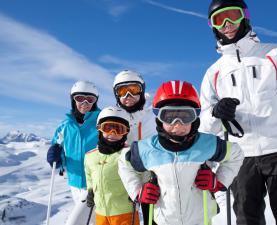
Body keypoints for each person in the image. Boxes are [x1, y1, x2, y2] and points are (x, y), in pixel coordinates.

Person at [200, 0, 277, 224]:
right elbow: (206, 123)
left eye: (233, 16)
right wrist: (217, 114)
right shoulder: (214, 73)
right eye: (219, 19)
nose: (227, 24)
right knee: (247, 219)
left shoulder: (275, 54)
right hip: (240, 156)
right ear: (213, 27)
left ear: (244, 16)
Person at [118, 80, 244, 225]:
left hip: (200, 220)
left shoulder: (206, 144)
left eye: (186, 116)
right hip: (163, 220)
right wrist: (137, 190)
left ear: (195, 117)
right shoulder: (147, 149)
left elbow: (236, 154)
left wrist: (219, 181)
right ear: (159, 118)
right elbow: (124, 163)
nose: (177, 124)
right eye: (169, 117)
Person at [47, 80, 100, 225]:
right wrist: (55, 158)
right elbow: (59, 151)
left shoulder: (102, 121)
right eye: (79, 98)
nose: (85, 103)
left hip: (96, 183)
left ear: (95, 101)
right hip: (74, 183)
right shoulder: (65, 126)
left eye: (90, 99)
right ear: (72, 100)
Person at [112, 70, 157, 224]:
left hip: (154, 180)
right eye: (122, 91)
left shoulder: (154, 114)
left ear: (142, 90)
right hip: (126, 178)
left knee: (154, 220)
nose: (128, 96)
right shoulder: (115, 118)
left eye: (133, 90)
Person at [84, 106, 139, 225]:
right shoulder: (90, 156)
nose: (112, 134)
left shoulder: (128, 154)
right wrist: (90, 190)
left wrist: (136, 192)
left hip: (125, 213)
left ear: (126, 133)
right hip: (100, 213)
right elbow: (89, 175)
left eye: (119, 129)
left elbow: (141, 175)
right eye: (108, 128)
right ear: (99, 129)